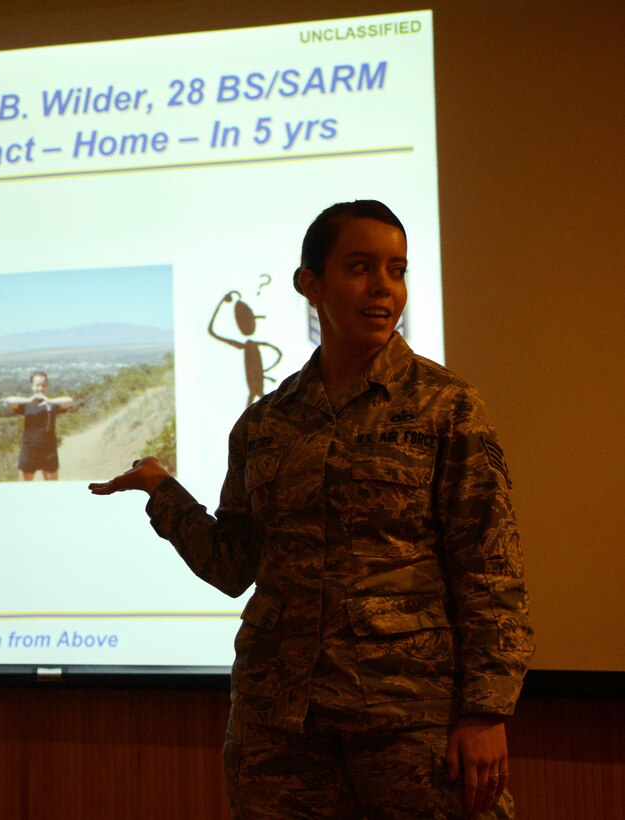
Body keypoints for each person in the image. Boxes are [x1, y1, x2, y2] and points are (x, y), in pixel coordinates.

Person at [89, 200, 533, 818]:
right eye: (360, 267)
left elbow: (489, 567)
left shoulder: (446, 407)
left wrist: (486, 711)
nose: (383, 288)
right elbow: (232, 564)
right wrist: (162, 493)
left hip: (412, 727)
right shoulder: (266, 424)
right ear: (310, 284)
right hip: (281, 734)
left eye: (397, 270)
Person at [5, 370, 73, 481]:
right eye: (37, 385)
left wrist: (50, 401)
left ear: (47, 386)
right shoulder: (26, 405)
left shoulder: (52, 405)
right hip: (29, 450)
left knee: (52, 489)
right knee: (26, 489)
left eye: (43, 385)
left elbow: (69, 401)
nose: (40, 388)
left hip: (49, 450)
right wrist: (28, 400)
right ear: (32, 386)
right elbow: (9, 401)